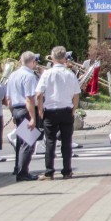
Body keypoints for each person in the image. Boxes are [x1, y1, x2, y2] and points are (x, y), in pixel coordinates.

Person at [35, 47, 81, 180]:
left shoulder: (47, 73)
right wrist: (73, 109)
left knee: (50, 142)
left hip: (50, 110)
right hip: (66, 110)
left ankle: (49, 171)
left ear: (52, 58)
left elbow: (38, 94)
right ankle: (67, 171)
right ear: (65, 58)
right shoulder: (70, 74)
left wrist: (40, 109)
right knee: (67, 142)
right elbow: (76, 94)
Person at [7, 51, 40, 181]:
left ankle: (19, 168)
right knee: (28, 143)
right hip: (25, 109)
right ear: (32, 62)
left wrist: (13, 114)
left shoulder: (13, 75)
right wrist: (32, 118)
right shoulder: (29, 76)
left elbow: (8, 99)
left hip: (16, 109)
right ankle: (22, 172)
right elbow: (29, 99)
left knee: (22, 142)